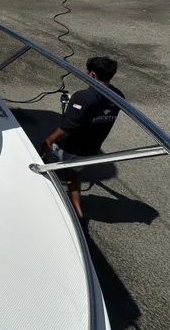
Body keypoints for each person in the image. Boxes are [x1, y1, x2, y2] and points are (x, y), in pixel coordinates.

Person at [42, 56, 124, 219]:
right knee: (73, 173)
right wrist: (75, 101)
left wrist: (49, 140)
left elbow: (67, 128)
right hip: (91, 146)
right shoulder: (118, 95)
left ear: (92, 74)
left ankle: (45, 195)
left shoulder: (83, 97)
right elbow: (97, 106)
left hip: (69, 146)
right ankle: (78, 211)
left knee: (46, 163)